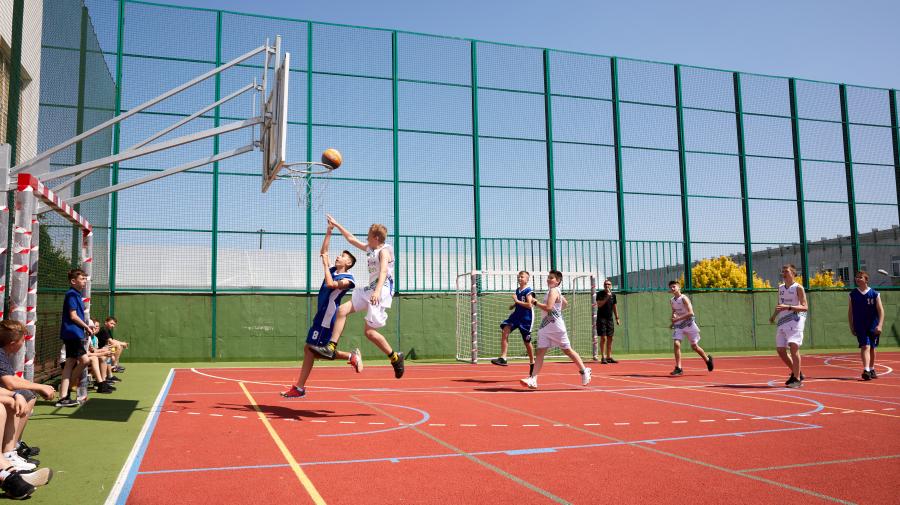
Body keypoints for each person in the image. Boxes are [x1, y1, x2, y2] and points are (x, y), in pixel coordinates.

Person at [309, 215, 405, 379]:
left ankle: (395, 358)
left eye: (368, 236)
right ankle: (331, 347)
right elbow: (351, 239)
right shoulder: (371, 249)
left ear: (376, 238)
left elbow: (383, 271)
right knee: (342, 311)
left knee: (369, 333)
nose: (366, 238)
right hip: (370, 289)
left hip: (381, 290)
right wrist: (337, 225)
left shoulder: (384, 252)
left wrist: (377, 292)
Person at [282, 222, 362, 398]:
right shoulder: (333, 270)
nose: (338, 257)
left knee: (312, 349)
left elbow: (331, 284)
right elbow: (324, 252)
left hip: (328, 317)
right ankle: (350, 357)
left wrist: (325, 265)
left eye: (342, 256)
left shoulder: (349, 279)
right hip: (321, 314)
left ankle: (300, 388)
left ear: (348, 263)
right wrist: (329, 231)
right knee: (312, 349)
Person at [519, 270, 591, 389]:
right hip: (545, 327)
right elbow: (565, 303)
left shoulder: (554, 291)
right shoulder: (553, 291)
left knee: (567, 351)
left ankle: (584, 370)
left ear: (557, 281)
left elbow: (548, 308)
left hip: (556, 328)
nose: (548, 279)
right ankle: (533, 379)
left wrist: (535, 302)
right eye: (548, 277)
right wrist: (557, 310)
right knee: (540, 352)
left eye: (551, 278)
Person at [0, 321, 56, 469]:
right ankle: (8, 452)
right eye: (23, 341)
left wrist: (39, 387)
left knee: (27, 395)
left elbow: (12, 378)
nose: (24, 344)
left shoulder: (3, 353)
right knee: (18, 401)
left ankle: (13, 448)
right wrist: (39, 387)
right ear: (13, 343)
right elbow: (10, 382)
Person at [56, 269, 95, 407]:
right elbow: (73, 316)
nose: (85, 281)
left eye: (85, 279)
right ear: (73, 281)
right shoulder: (71, 294)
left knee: (70, 363)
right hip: (72, 333)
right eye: (82, 279)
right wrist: (87, 327)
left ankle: (63, 396)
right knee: (84, 360)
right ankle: (66, 390)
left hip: (75, 333)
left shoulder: (77, 294)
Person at [769, 264, 807, 388]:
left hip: (795, 321)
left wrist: (789, 307)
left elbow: (805, 307)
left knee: (793, 347)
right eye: (783, 271)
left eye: (786, 271)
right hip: (783, 321)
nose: (784, 273)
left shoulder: (798, 288)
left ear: (793, 273)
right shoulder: (780, 288)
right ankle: (798, 373)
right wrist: (773, 316)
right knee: (780, 350)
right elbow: (780, 305)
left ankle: (797, 379)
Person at [491, 271, 535, 376]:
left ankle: (532, 362)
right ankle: (503, 357)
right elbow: (519, 301)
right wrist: (514, 305)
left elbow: (529, 305)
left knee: (527, 342)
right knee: (505, 330)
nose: (520, 278)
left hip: (526, 318)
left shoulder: (528, 291)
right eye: (519, 277)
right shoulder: (517, 290)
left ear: (527, 279)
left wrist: (516, 301)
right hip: (516, 316)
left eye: (522, 277)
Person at [668, 280, 713, 376]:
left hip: (689, 324)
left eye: (674, 286)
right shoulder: (672, 300)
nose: (672, 288)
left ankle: (707, 360)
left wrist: (678, 318)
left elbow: (691, 313)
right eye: (671, 287)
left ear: (679, 287)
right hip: (679, 325)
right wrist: (673, 321)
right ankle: (678, 368)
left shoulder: (684, 298)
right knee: (676, 344)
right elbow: (674, 311)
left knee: (694, 347)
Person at [848, 270, 884, 381]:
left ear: (866, 280)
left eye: (860, 277)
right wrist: (851, 326)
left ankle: (872, 368)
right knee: (865, 346)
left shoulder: (875, 294)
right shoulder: (852, 294)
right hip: (860, 326)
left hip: (873, 325)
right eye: (856, 277)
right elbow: (850, 312)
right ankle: (866, 370)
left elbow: (881, 311)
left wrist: (880, 325)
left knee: (872, 348)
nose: (857, 279)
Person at [594, 279, 620, 364]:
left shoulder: (613, 295)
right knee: (603, 338)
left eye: (608, 284)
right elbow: (599, 305)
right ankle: (603, 357)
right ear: (603, 285)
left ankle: (609, 357)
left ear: (611, 286)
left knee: (610, 338)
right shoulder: (600, 294)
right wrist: (607, 297)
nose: (607, 286)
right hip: (601, 319)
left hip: (610, 319)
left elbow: (614, 307)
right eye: (605, 284)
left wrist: (617, 318)